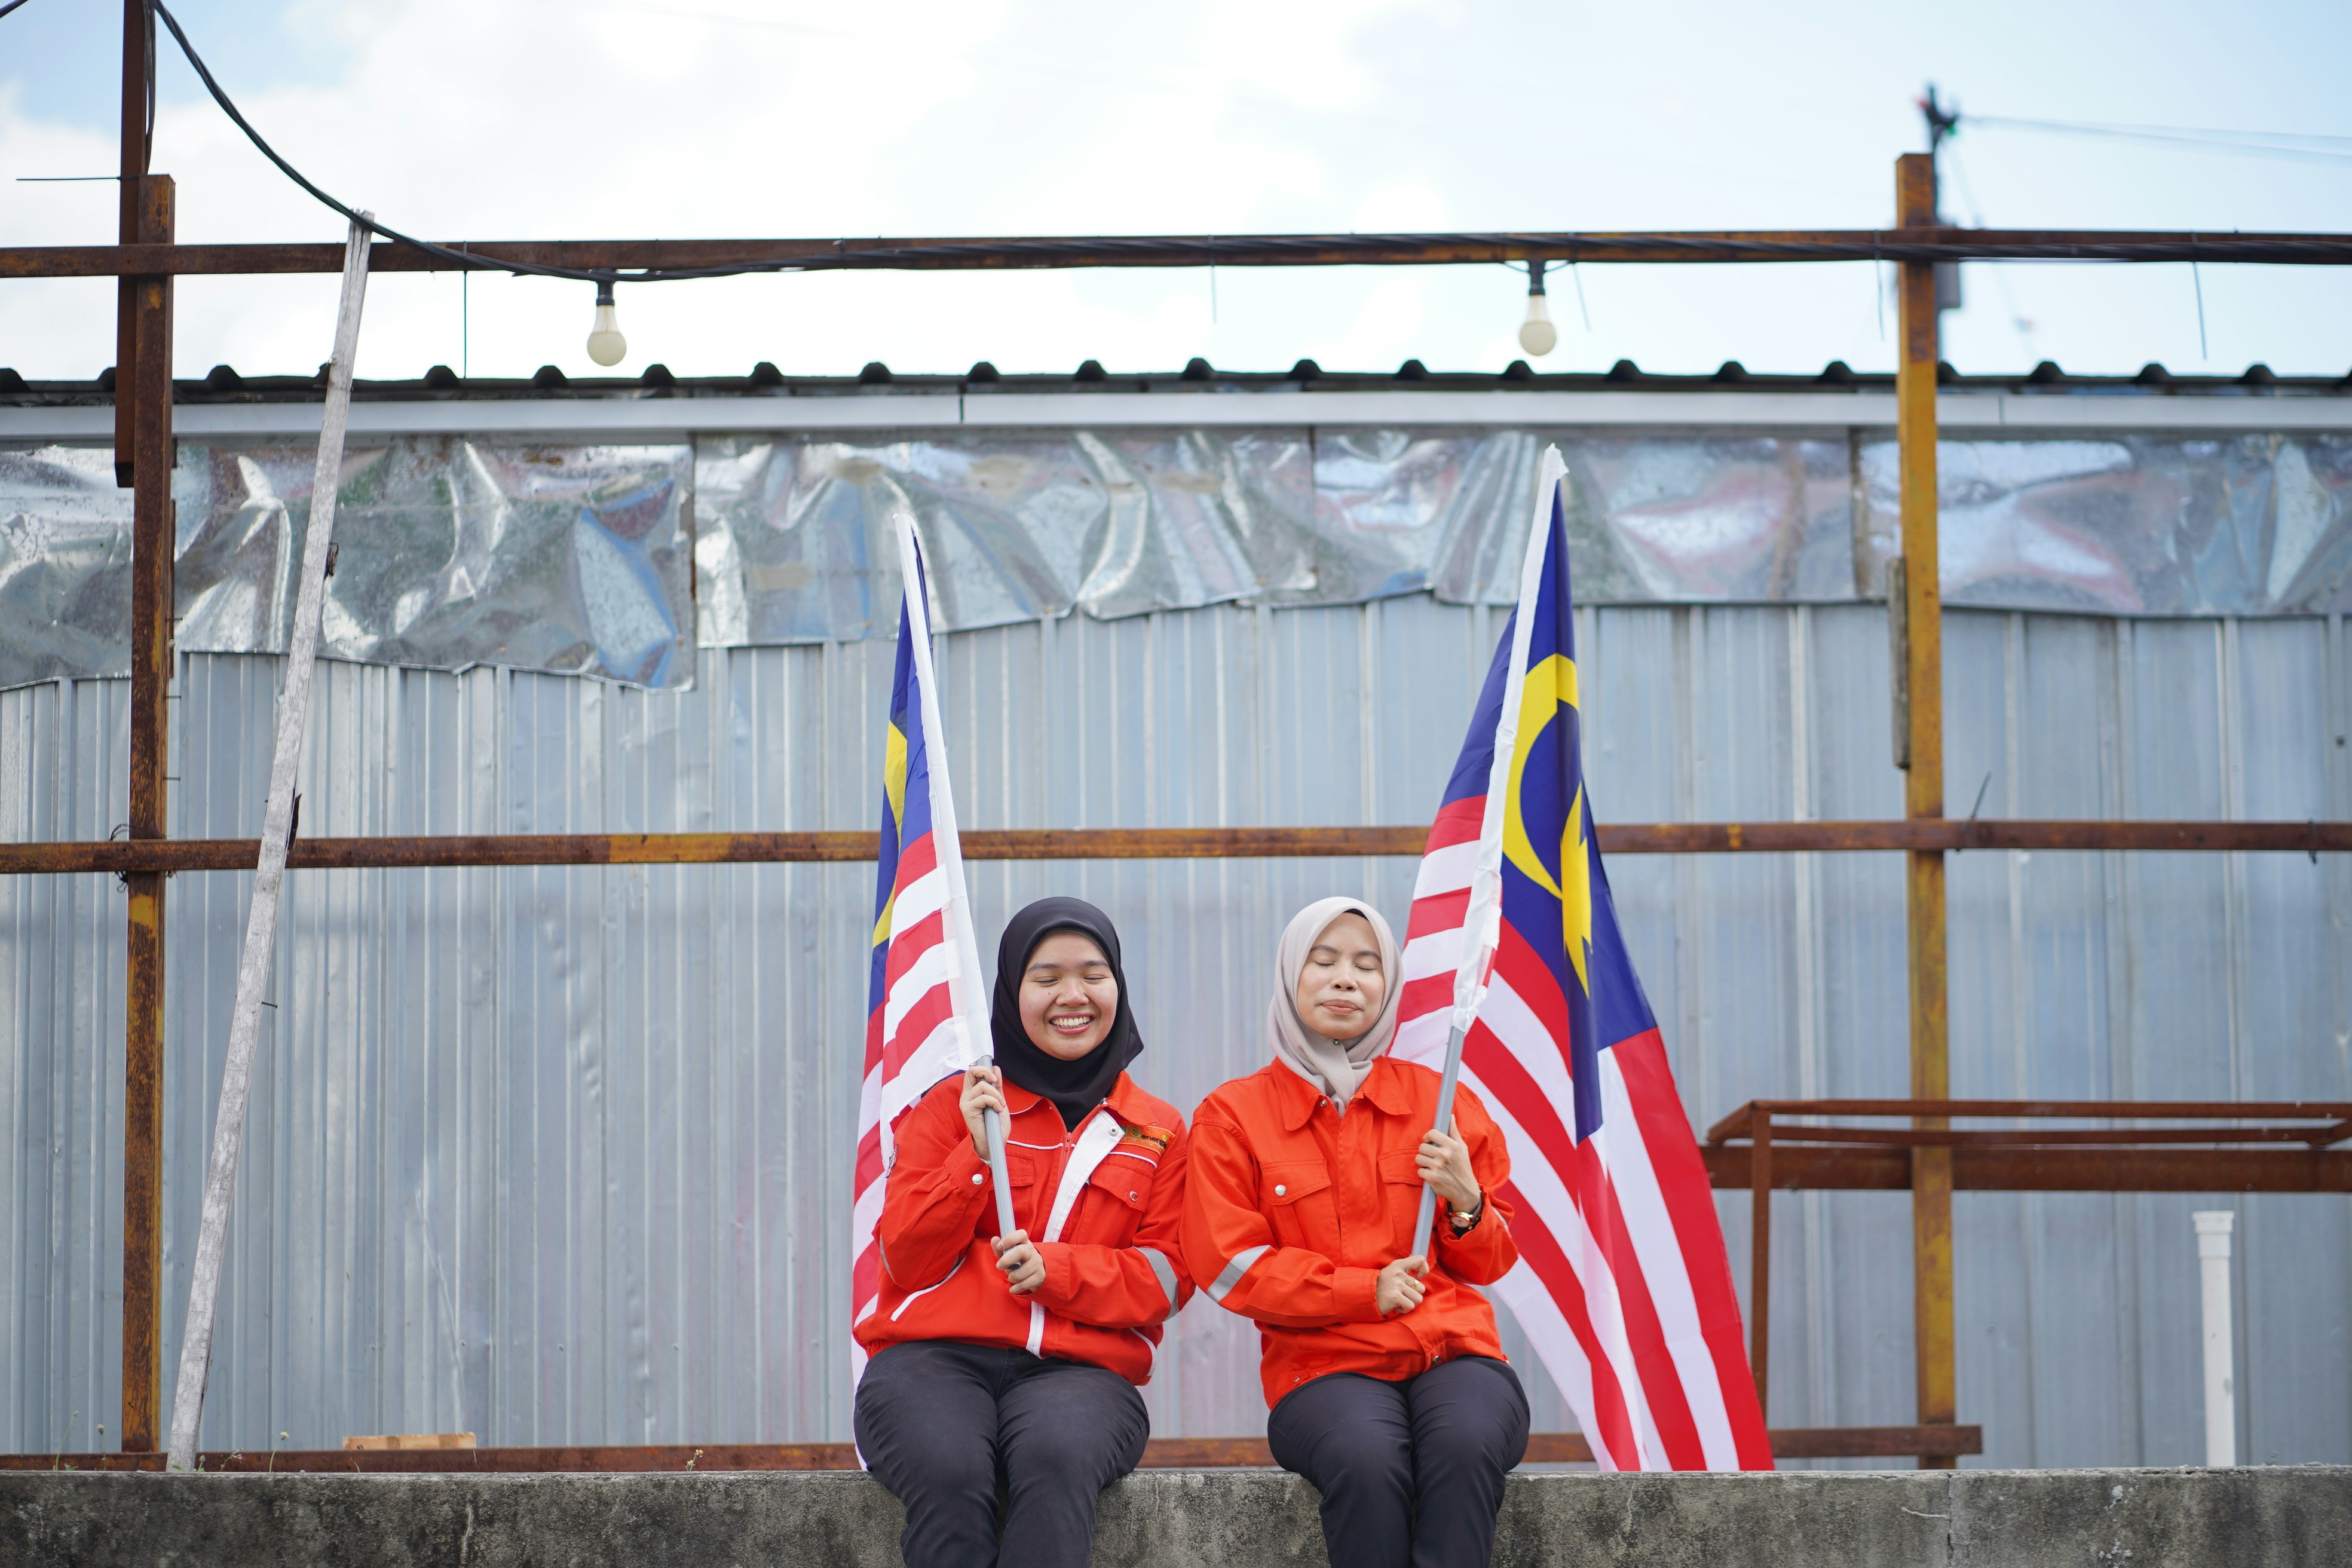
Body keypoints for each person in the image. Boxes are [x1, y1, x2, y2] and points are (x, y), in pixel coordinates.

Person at [1181, 896, 1529, 1568]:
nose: (1347, 978)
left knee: (1462, 1444)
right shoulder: (1234, 1114)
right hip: (1323, 1367)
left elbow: (1494, 1259)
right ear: (1290, 975)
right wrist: (1363, 1289)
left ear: (1388, 988)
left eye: (1368, 965)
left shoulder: (1442, 1099)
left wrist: (1466, 1200)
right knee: (1370, 1460)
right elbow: (1227, 1263)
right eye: (1326, 959)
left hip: (1452, 1354)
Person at [854, 896, 1190, 1568]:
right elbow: (906, 1259)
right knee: (950, 1468)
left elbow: (1168, 1277)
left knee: (1057, 1455)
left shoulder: (1157, 1128)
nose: (1074, 994)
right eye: (1047, 977)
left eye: (1094, 973)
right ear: (1011, 991)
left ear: (1118, 986)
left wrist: (1059, 1270)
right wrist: (973, 1156)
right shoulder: (956, 1105)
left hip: (1084, 1368)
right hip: (932, 1359)